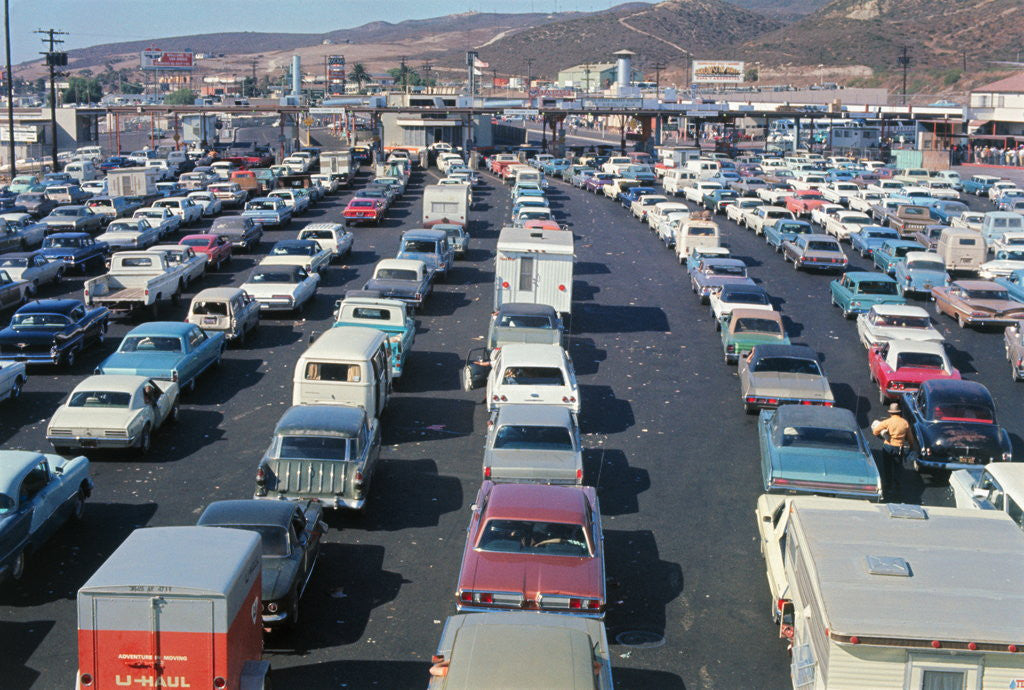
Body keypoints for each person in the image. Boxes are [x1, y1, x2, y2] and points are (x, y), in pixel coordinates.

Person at [872, 402, 911, 498]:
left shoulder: (887, 422)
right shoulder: (905, 423)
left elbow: (875, 431)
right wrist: (912, 446)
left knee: (887, 467)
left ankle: (888, 485)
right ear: (899, 412)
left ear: (890, 412)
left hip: (888, 447)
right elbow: (910, 438)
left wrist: (884, 435)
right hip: (899, 448)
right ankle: (897, 486)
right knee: (897, 467)